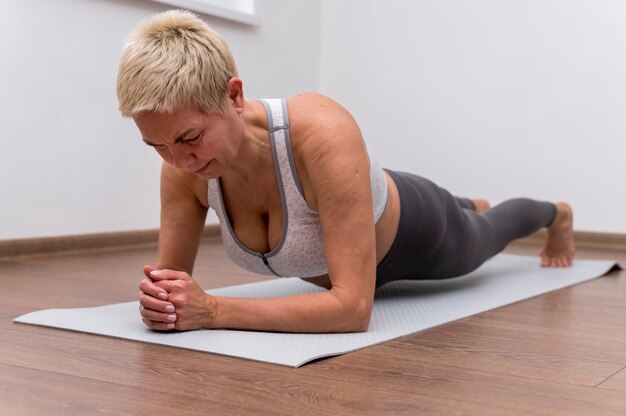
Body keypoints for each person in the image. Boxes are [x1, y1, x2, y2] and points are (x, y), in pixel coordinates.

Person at [117, 10, 575, 334]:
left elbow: (353, 309)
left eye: (191, 138)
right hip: (350, 192)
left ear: (234, 96)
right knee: (451, 206)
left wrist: (213, 311)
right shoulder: (182, 168)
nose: (178, 161)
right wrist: (162, 304)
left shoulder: (320, 132)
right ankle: (466, 201)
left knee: (486, 232)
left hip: (419, 229)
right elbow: (171, 291)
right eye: (155, 145)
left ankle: (556, 215)